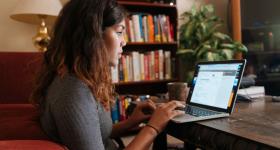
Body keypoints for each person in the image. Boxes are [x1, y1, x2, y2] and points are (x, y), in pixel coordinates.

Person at [30, 0, 184, 149]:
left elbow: (94, 134)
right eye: (119, 32)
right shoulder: (74, 93)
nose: (124, 42)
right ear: (93, 36)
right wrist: (153, 127)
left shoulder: (77, 78)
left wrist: (131, 122)